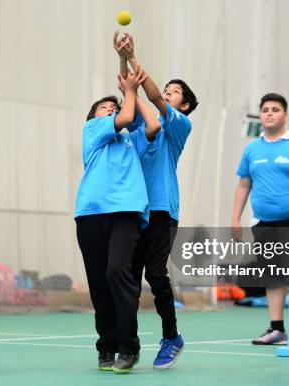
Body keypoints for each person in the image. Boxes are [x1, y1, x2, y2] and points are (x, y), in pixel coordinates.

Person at [114, 31, 198, 369]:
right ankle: (128, 345)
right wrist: (122, 55)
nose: (167, 92)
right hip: (136, 207)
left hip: (163, 207)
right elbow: (129, 89)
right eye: (166, 89)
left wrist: (134, 55)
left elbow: (149, 94)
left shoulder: (179, 125)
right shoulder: (141, 124)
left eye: (174, 91)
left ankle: (171, 336)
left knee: (157, 273)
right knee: (130, 278)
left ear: (186, 104)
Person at [74, 65, 162, 373]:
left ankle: (129, 347)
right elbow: (123, 117)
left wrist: (132, 91)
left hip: (125, 213)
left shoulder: (131, 139)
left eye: (114, 106)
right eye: (104, 108)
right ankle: (106, 346)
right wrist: (127, 93)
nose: (111, 110)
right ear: (94, 116)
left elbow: (151, 124)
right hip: (90, 215)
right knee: (99, 284)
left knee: (117, 274)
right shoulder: (93, 131)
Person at [231, 93, 289, 346]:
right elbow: (243, 184)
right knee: (273, 277)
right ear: (260, 116)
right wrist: (235, 218)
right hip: (264, 223)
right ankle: (276, 328)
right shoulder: (252, 149)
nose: (269, 113)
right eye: (265, 110)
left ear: (285, 115)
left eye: (275, 109)